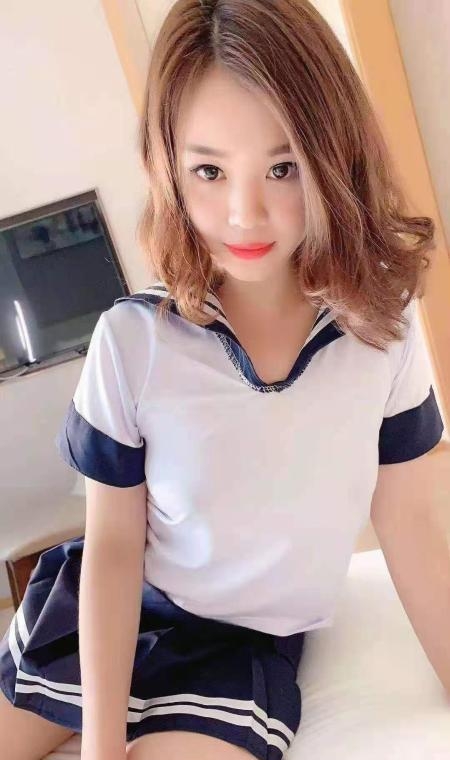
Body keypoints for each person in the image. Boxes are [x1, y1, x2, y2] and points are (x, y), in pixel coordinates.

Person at [0, 1, 444, 759]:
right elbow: (114, 548)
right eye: (209, 170)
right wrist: (102, 748)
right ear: (169, 168)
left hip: (240, 651)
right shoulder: (135, 341)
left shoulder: (380, 331)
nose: (245, 214)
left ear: (334, 157)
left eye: (283, 167)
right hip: (103, 616)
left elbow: (410, 523)